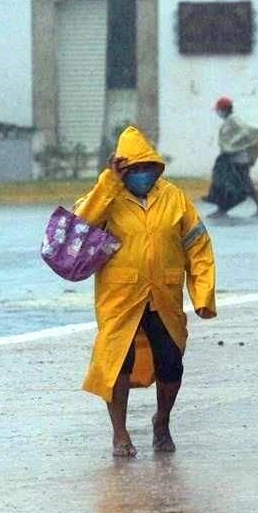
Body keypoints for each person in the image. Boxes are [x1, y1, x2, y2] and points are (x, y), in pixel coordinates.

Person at [74, 126, 216, 457]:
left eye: (146, 167)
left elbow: (198, 244)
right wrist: (109, 183)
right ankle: (120, 433)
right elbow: (81, 225)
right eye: (133, 169)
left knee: (171, 363)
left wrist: (203, 293)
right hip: (120, 297)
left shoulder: (174, 197)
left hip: (163, 295)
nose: (141, 174)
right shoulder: (106, 195)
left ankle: (162, 421)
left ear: (156, 165)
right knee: (116, 364)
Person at [204, 96, 258, 218]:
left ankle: (222, 209)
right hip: (235, 158)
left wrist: (234, 145)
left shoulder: (233, 120)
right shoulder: (229, 120)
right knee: (240, 183)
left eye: (219, 110)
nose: (218, 113)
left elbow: (245, 132)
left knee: (229, 183)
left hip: (238, 159)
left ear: (224, 110)